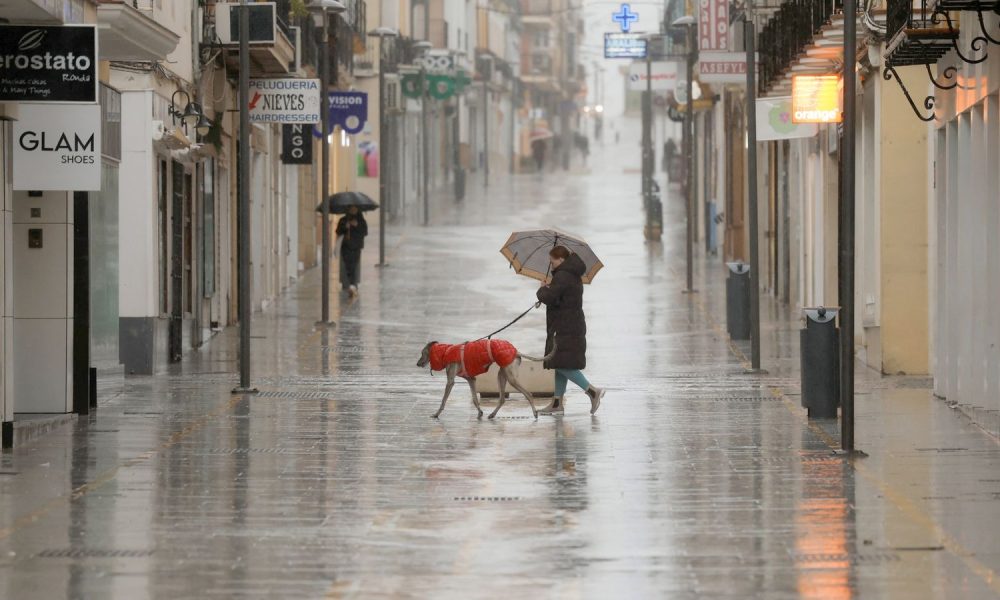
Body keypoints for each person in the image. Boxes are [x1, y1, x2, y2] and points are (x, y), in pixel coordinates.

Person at [535, 246, 605, 415]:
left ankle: (592, 391)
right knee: (560, 363)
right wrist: (550, 287)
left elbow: (550, 297)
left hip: (564, 326)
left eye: (552, 261)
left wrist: (542, 289)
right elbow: (560, 298)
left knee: (562, 363)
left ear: (561, 260)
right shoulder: (569, 274)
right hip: (570, 324)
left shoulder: (563, 275)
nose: (550, 265)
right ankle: (557, 403)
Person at [335, 205, 368, 295]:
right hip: (345, 247)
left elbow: (365, 232)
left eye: (355, 209)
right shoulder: (343, 220)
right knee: (346, 266)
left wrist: (356, 225)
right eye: (351, 209)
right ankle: (347, 284)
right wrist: (345, 227)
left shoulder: (361, 221)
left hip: (356, 247)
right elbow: (338, 231)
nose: (353, 210)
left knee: (354, 265)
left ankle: (353, 284)